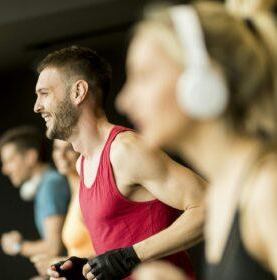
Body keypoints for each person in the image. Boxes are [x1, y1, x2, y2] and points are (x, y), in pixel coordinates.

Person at [115, 0, 277, 279]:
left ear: (201, 79)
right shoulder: (222, 194)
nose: (124, 101)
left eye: (144, 76)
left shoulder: (267, 189)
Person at [33, 46, 206, 280]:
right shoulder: (82, 163)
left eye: (44, 94)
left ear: (78, 92)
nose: (37, 106)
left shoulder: (124, 150)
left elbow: (207, 206)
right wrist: (88, 267)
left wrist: (130, 256)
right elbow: (119, 245)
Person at [0, 126, 70, 260]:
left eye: (10, 161)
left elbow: (54, 247)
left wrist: (18, 247)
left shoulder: (50, 185)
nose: (5, 170)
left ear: (30, 156)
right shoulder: (47, 184)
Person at [31, 139, 95, 276]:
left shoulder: (87, 194)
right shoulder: (74, 194)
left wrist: (57, 261)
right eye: (57, 148)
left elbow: (110, 249)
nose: (61, 155)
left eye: (69, 149)